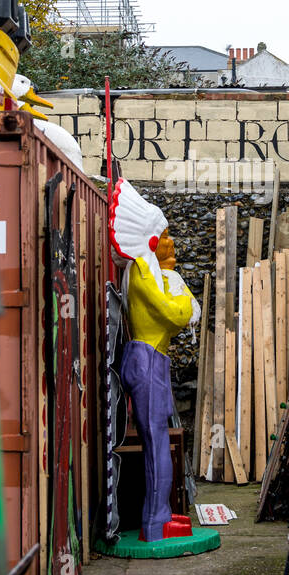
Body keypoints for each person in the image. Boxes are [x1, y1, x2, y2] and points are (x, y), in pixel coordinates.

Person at [109, 179, 199, 541]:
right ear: (149, 240)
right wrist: (185, 302)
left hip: (150, 358)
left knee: (157, 441)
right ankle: (156, 522)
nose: (168, 242)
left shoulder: (145, 271)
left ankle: (159, 515)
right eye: (162, 235)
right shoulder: (145, 272)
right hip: (146, 360)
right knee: (156, 442)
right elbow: (175, 315)